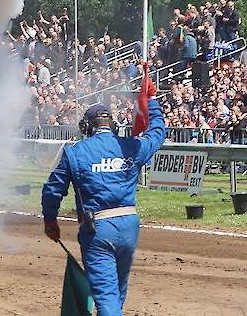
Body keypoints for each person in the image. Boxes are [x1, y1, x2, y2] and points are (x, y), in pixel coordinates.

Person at [40, 81, 166, 316]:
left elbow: (52, 190)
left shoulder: (74, 152)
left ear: (86, 127)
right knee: (117, 290)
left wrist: (50, 220)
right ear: (113, 125)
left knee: (106, 295)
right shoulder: (130, 147)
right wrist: (152, 102)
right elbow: (157, 134)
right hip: (129, 225)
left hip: (98, 228)